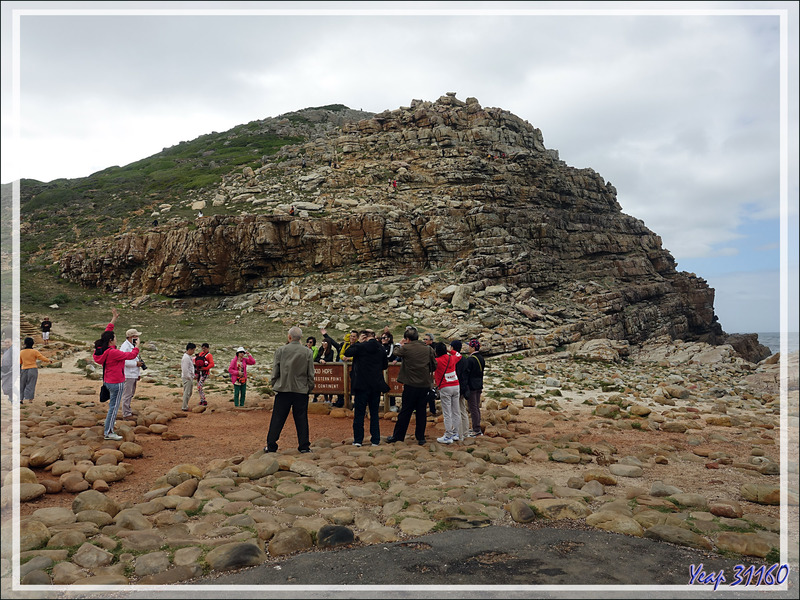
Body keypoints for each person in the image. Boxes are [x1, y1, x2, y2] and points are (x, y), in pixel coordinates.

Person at [265, 326, 315, 454]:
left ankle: (271, 445)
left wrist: (274, 383)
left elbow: (275, 370)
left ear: (289, 337)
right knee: (301, 418)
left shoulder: (281, 350)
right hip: (301, 390)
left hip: (283, 389)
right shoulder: (307, 352)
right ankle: (304, 446)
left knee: (277, 418)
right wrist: (309, 387)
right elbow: (311, 373)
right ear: (301, 338)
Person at [93, 309, 140, 440]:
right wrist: (137, 346)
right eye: (114, 338)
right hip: (116, 382)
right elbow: (131, 355)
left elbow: (107, 331)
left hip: (108, 381)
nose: (116, 339)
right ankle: (108, 432)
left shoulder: (102, 350)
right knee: (113, 407)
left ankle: (109, 425)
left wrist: (114, 318)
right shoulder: (113, 352)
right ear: (111, 341)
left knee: (112, 406)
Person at [386, 326, 436, 446]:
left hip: (410, 384)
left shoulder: (406, 348)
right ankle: (420, 437)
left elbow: (395, 352)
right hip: (424, 385)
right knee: (421, 411)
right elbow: (434, 365)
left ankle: (398, 436)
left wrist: (400, 344)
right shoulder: (428, 349)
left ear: (407, 338)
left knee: (405, 411)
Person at [344, 329, 388, 447]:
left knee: (359, 413)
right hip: (376, 385)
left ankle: (358, 440)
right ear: (374, 336)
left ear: (364, 336)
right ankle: (375, 440)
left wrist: (357, 342)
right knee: (374, 413)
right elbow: (385, 365)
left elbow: (347, 352)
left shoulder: (360, 347)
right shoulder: (381, 348)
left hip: (361, 385)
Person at [433, 342, 461, 444]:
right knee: (456, 411)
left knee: (447, 413)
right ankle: (455, 433)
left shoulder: (437, 361)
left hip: (445, 387)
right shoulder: (452, 358)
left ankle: (448, 436)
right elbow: (459, 355)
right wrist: (449, 350)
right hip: (456, 385)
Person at [322, 328, 357, 408]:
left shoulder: (356, 346)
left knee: (351, 385)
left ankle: (352, 403)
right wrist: (325, 335)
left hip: (352, 369)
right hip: (340, 369)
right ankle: (340, 401)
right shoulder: (342, 346)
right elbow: (333, 342)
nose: (346, 340)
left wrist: (348, 358)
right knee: (340, 385)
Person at [119, 327, 145, 419]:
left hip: (132, 374)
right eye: (136, 336)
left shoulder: (132, 346)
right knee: (127, 394)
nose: (138, 338)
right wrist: (136, 364)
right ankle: (126, 413)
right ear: (131, 337)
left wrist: (138, 374)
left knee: (131, 393)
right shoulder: (125, 347)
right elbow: (123, 361)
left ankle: (128, 410)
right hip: (128, 374)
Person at [463, 338, 486, 437]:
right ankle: (476, 427)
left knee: (473, 408)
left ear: (472, 348)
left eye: (469, 346)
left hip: (472, 386)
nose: (468, 347)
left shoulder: (470, 360)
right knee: (476, 407)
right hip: (479, 384)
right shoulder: (481, 358)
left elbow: (467, 374)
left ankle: (476, 429)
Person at [20, 337, 51, 402]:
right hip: (32, 369)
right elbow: (42, 358)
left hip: (24, 369)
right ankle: (30, 400)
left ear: (25, 344)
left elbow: (20, 362)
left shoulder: (21, 352)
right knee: (31, 384)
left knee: (22, 384)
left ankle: (21, 399)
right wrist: (48, 360)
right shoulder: (35, 352)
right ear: (32, 344)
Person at [450, 340, 470, 440]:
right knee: (463, 411)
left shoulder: (454, 359)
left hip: (456, 386)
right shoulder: (465, 359)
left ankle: (458, 433)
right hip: (464, 386)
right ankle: (466, 432)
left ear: (452, 347)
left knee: (456, 411)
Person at [380, 330, 400, 411]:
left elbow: (398, 355)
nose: (383, 339)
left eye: (384, 337)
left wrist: (396, 360)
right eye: (382, 338)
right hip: (380, 371)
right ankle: (384, 404)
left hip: (391, 371)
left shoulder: (393, 347)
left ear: (389, 338)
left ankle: (392, 404)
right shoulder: (379, 347)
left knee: (391, 386)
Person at [314, 338, 337, 403]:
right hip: (321, 371)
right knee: (323, 384)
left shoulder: (331, 351)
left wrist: (324, 360)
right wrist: (320, 360)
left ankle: (330, 399)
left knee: (329, 385)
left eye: (325, 343)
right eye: (323, 343)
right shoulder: (320, 350)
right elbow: (316, 358)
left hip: (329, 370)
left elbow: (330, 358)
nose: (323, 344)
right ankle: (324, 399)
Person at [181, 343, 196, 411]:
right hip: (187, 377)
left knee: (189, 392)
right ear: (190, 350)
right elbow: (185, 369)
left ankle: (185, 405)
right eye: (193, 350)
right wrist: (189, 377)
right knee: (187, 392)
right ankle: (184, 406)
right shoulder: (186, 358)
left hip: (189, 377)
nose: (193, 352)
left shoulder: (188, 357)